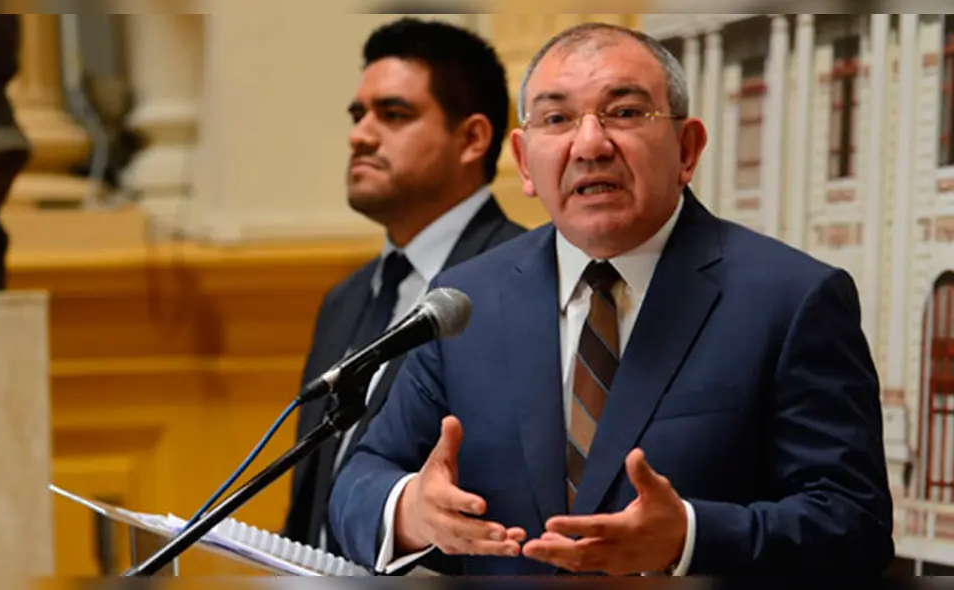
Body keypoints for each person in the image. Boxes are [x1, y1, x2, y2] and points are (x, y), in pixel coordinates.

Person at [328, 22, 895, 576]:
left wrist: (689, 537)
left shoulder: (792, 298)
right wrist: (409, 510)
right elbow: (361, 478)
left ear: (687, 147)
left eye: (624, 113)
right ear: (525, 163)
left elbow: (853, 524)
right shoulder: (469, 298)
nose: (590, 144)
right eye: (557, 119)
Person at [281, 17, 525, 560]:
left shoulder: (524, 284)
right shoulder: (345, 299)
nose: (360, 134)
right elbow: (312, 499)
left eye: (393, 115)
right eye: (358, 114)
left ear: (472, 139)